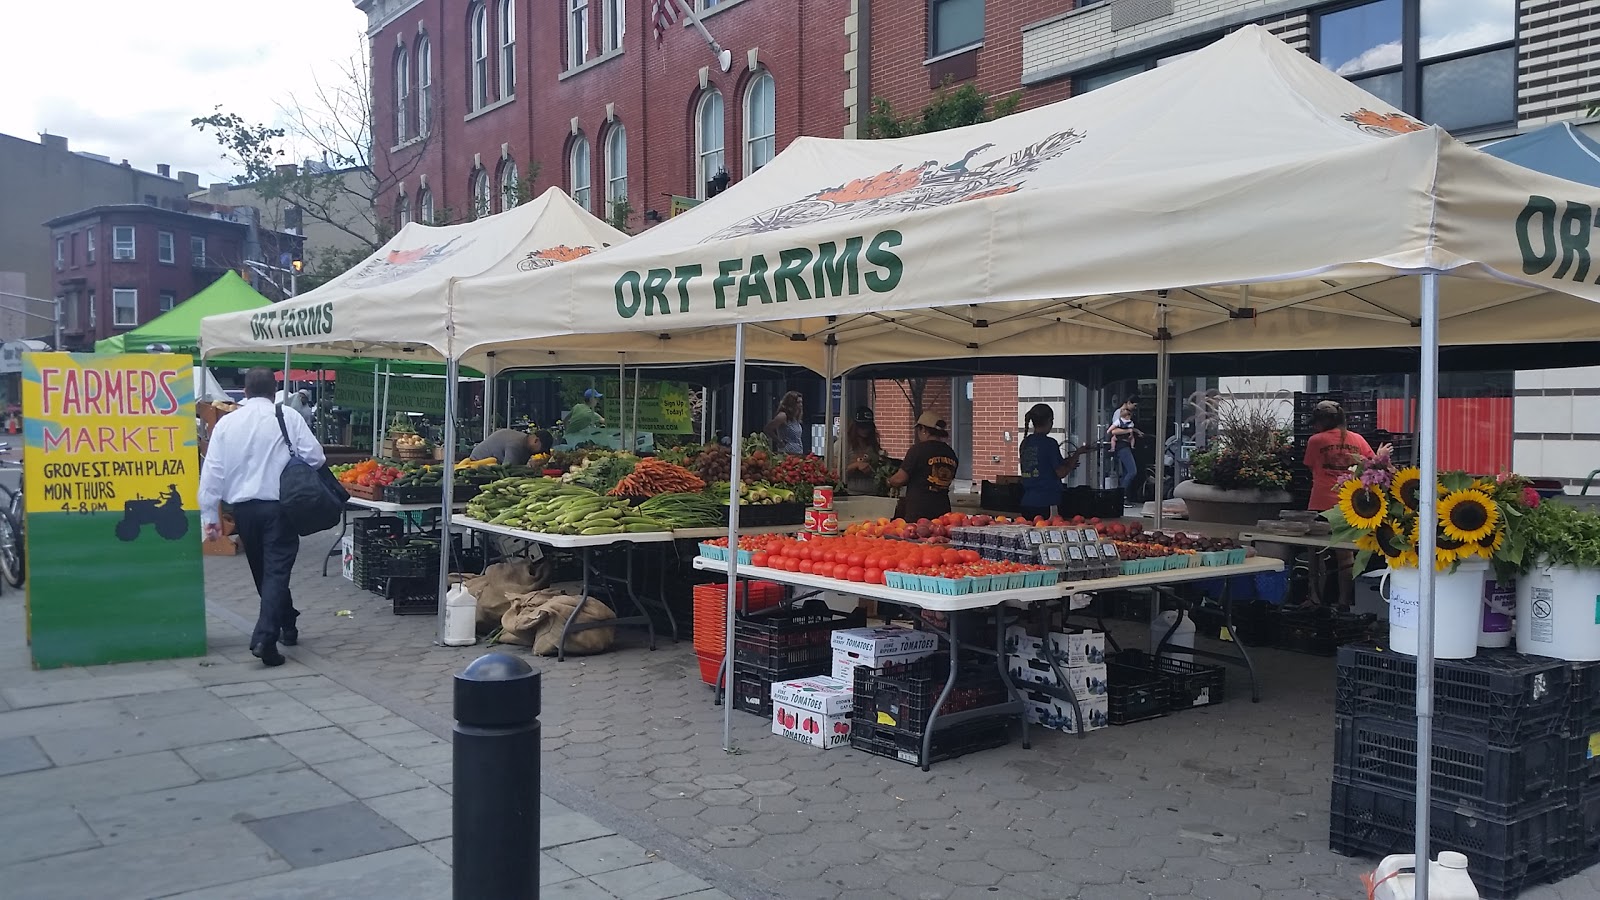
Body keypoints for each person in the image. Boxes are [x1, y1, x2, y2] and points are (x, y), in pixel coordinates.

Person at [200, 367, 326, 667]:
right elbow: (317, 457)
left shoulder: (227, 424)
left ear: (244, 391)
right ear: (274, 391)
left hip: (244, 511)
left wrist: (210, 516)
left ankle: (287, 623)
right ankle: (266, 637)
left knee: (263, 572)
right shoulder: (288, 417)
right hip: (280, 508)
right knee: (277, 573)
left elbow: (212, 472)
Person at [1303, 400, 1374, 608]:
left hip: (1321, 503)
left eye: (1316, 422)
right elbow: (1371, 465)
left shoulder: (1316, 441)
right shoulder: (1358, 439)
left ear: (1324, 421)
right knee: (1346, 555)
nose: (1314, 426)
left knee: (1316, 555)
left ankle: (1316, 599)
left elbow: (1310, 466)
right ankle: (1344, 602)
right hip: (1350, 506)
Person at [1018, 404, 1087, 521]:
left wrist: (1070, 461)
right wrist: (1077, 455)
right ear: (1049, 421)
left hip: (1027, 501)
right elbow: (1060, 472)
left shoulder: (1025, 443)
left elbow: (1042, 464)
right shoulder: (1050, 443)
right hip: (1047, 501)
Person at [889, 413, 958, 521]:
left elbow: (899, 479)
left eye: (919, 430)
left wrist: (889, 481)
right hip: (943, 512)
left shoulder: (917, 450)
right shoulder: (951, 453)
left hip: (919, 512)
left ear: (924, 429)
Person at [1107, 397, 1143, 505]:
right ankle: (1121, 495)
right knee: (1132, 471)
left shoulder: (1126, 414)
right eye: (1134, 405)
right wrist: (1129, 430)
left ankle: (1121, 496)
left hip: (1125, 445)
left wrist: (1135, 431)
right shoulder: (1119, 413)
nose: (1134, 408)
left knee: (1127, 472)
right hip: (1122, 445)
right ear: (1128, 403)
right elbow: (1114, 430)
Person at [843, 406, 884, 496]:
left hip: (873, 492)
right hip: (852, 492)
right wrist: (855, 466)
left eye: (868, 427)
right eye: (862, 427)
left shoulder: (872, 445)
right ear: (855, 426)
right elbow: (834, 472)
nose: (865, 430)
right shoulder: (843, 445)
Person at [471, 427, 541, 467]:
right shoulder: (515, 444)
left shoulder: (524, 440)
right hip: (477, 463)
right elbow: (508, 469)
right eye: (541, 450)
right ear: (536, 441)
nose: (538, 453)